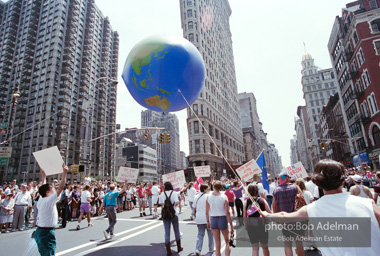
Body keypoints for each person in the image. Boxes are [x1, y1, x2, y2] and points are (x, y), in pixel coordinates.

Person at [261, 159, 380, 255]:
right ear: (343, 181)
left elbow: (283, 215)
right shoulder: (368, 204)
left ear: (317, 183)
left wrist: (267, 214)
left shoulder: (312, 209)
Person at [34, 164, 68, 256]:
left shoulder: (41, 198)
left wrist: (43, 176)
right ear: (47, 192)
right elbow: (61, 188)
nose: (54, 189)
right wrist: (64, 173)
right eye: (52, 188)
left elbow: (43, 187)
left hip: (41, 231)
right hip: (46, 233)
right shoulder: (49, 200)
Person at [272, 172, 303, 256]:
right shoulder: (295, 187)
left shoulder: (276, 190)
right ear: (287, 178)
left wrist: (276, 217)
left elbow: (274, 206)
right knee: (298, 242)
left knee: (287, 244)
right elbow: (302, 199)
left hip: (284, 219)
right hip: (296, 218)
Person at [206, 180, 234, 256]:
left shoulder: (208, 196)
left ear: (213, 186)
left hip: (213, 218)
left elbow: (207, 211)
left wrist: (208, 221)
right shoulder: (224, 197)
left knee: (217, 244)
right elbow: (227, 213)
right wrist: (231, 226)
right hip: (222, 218)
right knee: (227, 241)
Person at [243, 184, 271, 256]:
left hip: (251, 226)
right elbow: (269, 213)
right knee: (265, 247)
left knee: (255, 248)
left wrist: (246, 226)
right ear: (257, 191)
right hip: (262, 225)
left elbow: (244, 216)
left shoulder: (246, 202)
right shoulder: (263, 200)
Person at [159, 181, 182, 256]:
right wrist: (173, 205)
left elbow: (161, 203)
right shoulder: (174, 193)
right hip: (174, 213)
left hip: (165, 215)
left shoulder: (162, 193)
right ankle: (179, 247)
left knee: (167, 232)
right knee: (176, 231)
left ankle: (168, 251)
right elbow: (176, 202)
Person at [194, 184, 214, 256]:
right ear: (205, 189)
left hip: (199, 217)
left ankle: (198, 249)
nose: (209, 189)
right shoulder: (209, 196)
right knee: (210, 234)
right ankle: (211, 248)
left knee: (200, 234)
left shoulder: (196, 196)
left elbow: (194, 207)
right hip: (208, 218)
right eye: (208, 188)